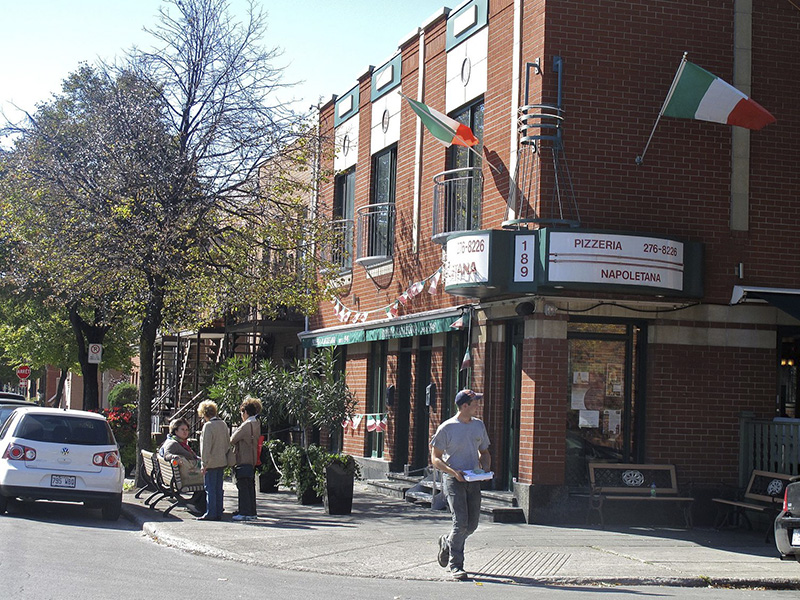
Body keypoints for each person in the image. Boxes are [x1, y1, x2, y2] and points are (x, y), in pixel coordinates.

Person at [430, 389, 491, 581]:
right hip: (453, 480)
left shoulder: (478, 426)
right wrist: (453, 472)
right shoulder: (447, 428)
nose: (477, 406)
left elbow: (485, 452)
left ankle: (447, 542)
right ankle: (456, 565)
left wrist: (486, 469)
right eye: (475, 403)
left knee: (471, 525)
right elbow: (435, 458)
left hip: (473, 480)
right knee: (460, 522)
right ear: (464, 406)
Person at [158, 417, 206, 514]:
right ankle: (200, 506)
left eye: (187, 430)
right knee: (209, 478)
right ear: (175, 431)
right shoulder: (173, 443)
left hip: (181, 475)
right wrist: (175, 457)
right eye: (182, 430)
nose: (185, 432)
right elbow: (167, 455)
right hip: (185, 478)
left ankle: (197, 503)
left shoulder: (178, 442)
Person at [229, 397, 262, 522]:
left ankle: (244, 512)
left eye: (242, 413)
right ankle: (252, 512)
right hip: (253, 459)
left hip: (243, 458)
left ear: (245, 412)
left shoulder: (246, 425)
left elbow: (232, 439)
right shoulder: (257, 424)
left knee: (242, 487)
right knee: (250, 487)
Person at [196, 400, 230, 521]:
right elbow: (227, 443)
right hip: (221, 460)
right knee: (218, 488)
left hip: (211, 462)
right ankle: (219, 511)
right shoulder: (223, 424)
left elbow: (206, 447)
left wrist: (203, 464)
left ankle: (211, 512)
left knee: (210, 488)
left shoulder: (208, 426)